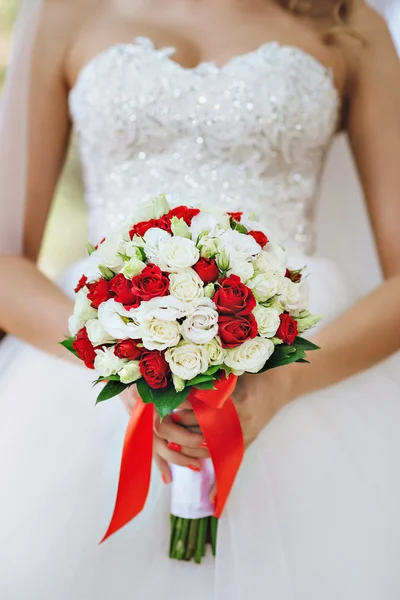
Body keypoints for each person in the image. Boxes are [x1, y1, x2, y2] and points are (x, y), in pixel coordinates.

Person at [0, 0, 399, 598]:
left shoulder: (346, 20)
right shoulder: (61, 12)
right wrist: (127, 364)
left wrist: (279, 387)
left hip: (303, 373)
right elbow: (5, 263)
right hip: (85, 382)